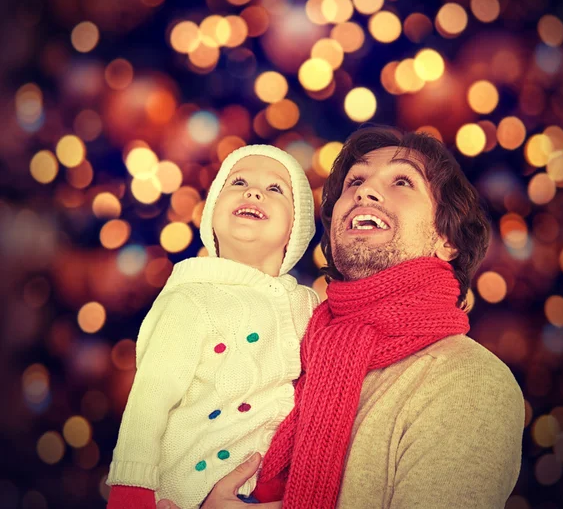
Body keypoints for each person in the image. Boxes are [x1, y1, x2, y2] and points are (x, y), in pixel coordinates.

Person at [159, 126, 525, 509]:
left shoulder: (467, 380)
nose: (363, 192)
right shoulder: (288, 351)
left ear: (447, 240)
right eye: (356, 181)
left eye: (403, 181)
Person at [106, 144, 319, 509]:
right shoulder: (190, 298)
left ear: (295, 231)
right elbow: (149, 400)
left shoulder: (311, 305)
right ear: (212, 216)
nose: (253, 192)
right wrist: (131, 494)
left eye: (275, 189)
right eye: (237, 182)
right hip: (187, 491)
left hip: (280, 489)